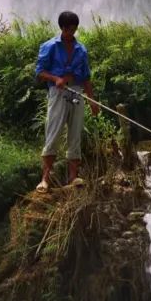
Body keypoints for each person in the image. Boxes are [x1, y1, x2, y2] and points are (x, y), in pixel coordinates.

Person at [34, 11, 99, 192]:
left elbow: (86, 77)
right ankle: (45, 179)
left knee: (75, 133)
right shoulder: (49, 46)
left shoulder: (81, 49)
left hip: (76, 92)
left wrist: (92, 101)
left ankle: (73, 177)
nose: (72, 32)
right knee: (53, 132)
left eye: (75, 28)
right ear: (62, 28)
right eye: (69, 29)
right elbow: (39, 71)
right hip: (58, 92)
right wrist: (55, 79)